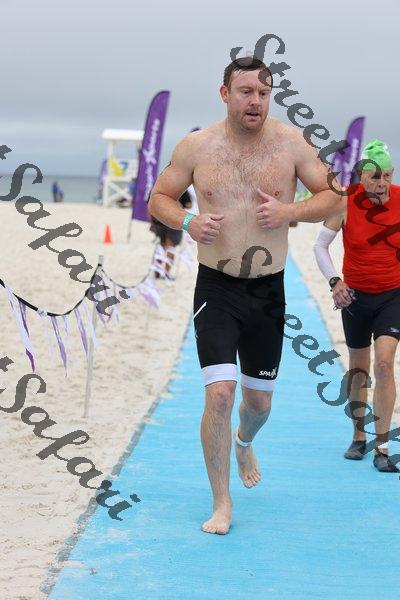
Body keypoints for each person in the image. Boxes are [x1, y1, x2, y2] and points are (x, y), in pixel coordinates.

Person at [148, 56, 344, 535]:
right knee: (219, 394)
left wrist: (290, 212)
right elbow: (159, 198)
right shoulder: (197, 147)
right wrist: (189, 221)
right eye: (246, 91)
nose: (255, 101)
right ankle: (222, 502)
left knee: (258, 407)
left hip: (267, 291)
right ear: (225, 94)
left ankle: (243, 441)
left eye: (263, 92)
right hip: (216, 286)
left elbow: (334, 196)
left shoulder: (291, 143)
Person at [313, 140, 400, 473]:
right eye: (375, 177)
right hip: (355, 297)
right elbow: (320, 247)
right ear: (361, 177)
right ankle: (358, 436)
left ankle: (383, 446)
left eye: (387, 175)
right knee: (359, 369)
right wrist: (335, 282)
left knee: (385, 364)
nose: (382, 183)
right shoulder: (346, 202)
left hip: (393, 295)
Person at [151, 190, 193, 279]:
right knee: (170, 247)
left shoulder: (158, 187)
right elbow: (189, 205)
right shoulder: (182, 189)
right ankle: (166, 274)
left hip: (159, 219)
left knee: (161, 245)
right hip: (175, 220)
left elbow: (150, 203)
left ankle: (157, 272)